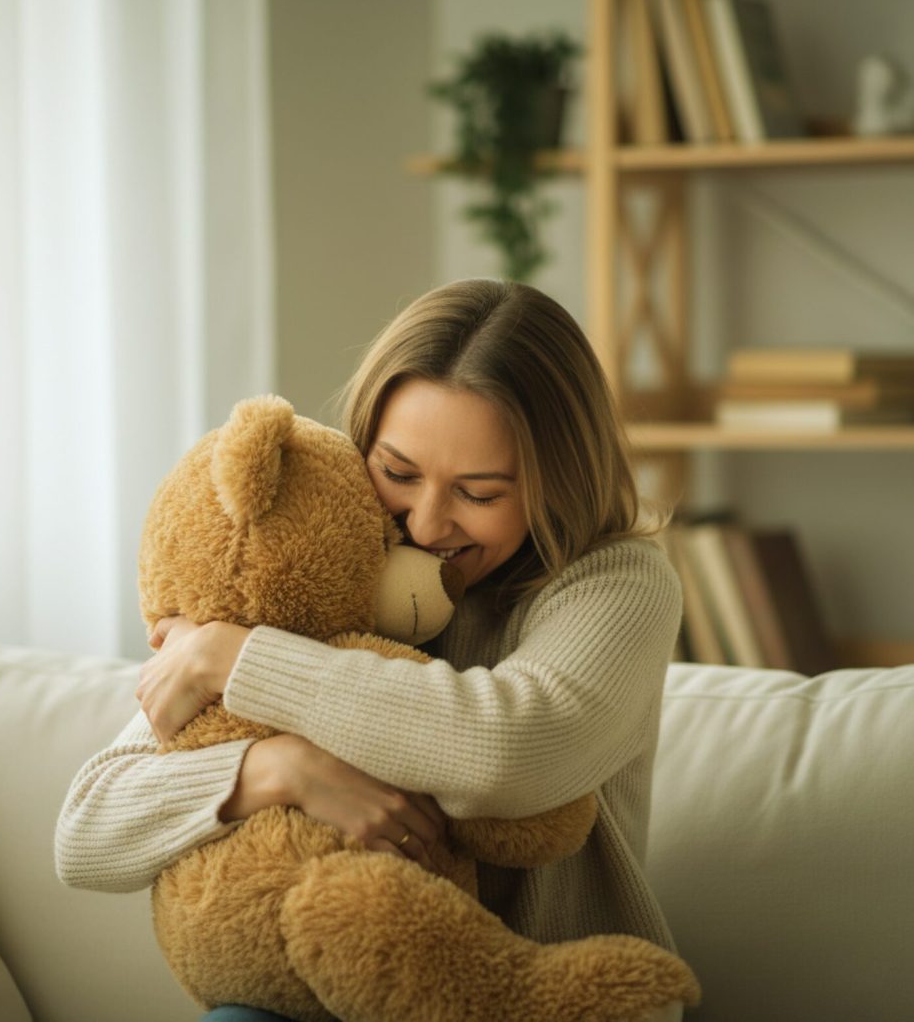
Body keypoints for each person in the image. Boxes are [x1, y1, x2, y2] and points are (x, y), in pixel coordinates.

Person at [55, 278, 685, 1022]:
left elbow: (509, 754)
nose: (426, 523)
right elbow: (88, 832)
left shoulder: (618, 582)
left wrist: (238, 659)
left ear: (557, 480)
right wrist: (278, 769)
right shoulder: (332, 575)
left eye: (479, 494)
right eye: (398, 473)